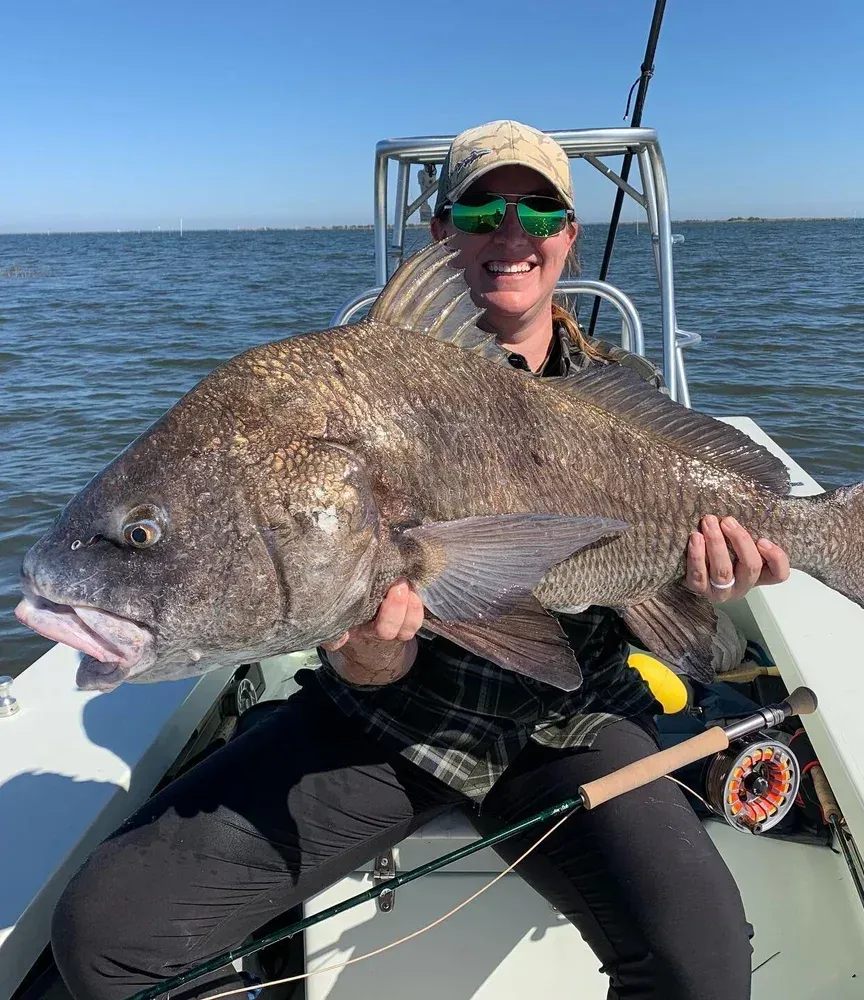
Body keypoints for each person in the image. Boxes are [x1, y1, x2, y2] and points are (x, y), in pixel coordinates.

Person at [52, 120, 790, 1000]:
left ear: (568, 236)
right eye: (480, 209)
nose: (509, 232)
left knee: (702, 964)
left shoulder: (617, 391)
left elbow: (660, 590)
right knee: (105, 938)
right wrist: (368, 656)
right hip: (390, 724)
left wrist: (704, 577)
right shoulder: (339, 388)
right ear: (441, 234)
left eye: (538, 210)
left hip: (572, 717)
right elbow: (352, 622)